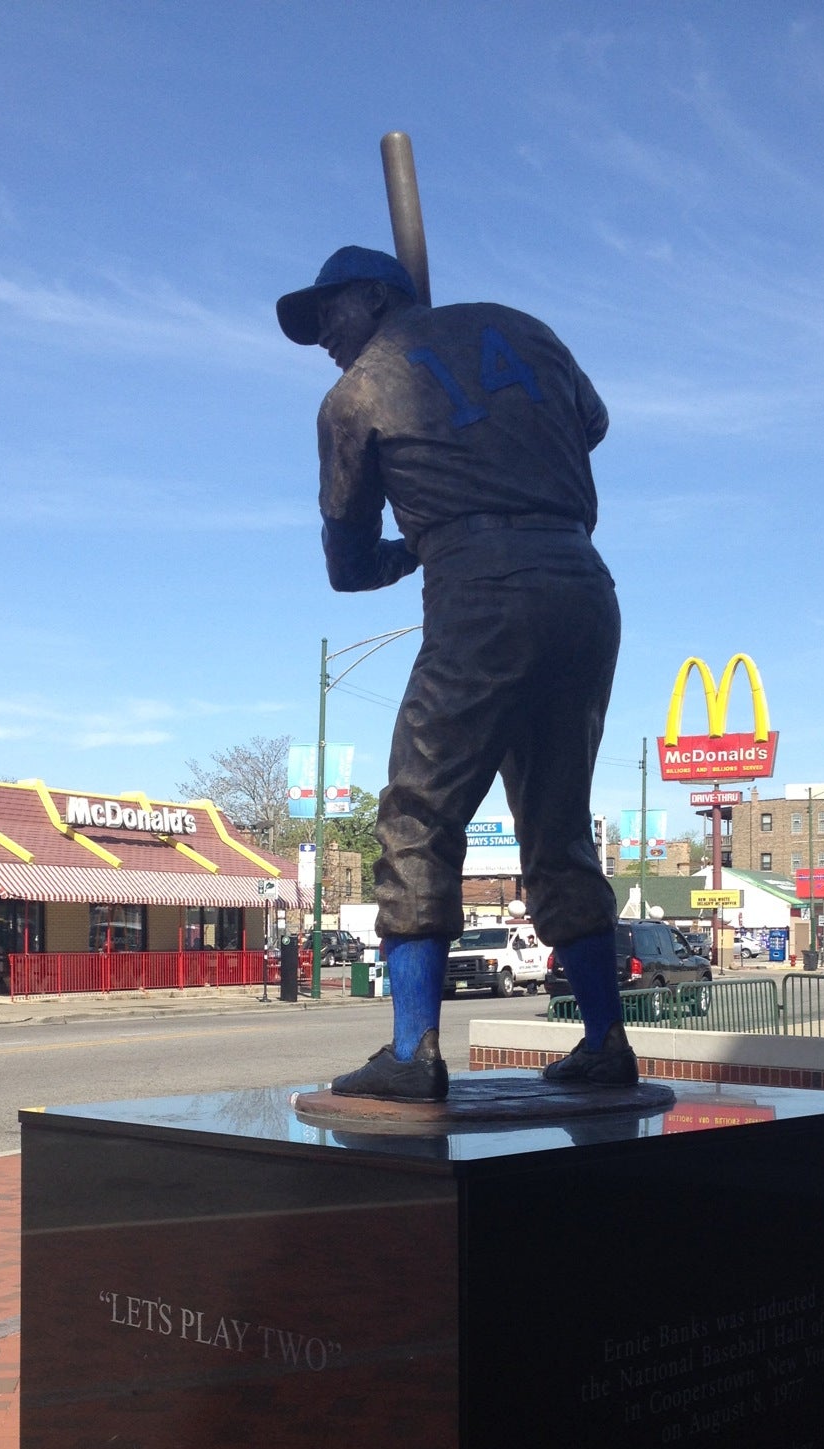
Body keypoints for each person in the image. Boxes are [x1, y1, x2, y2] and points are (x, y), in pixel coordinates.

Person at [277, 247, 629, 1100]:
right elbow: (593, 423)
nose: (324, 335)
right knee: (556, 823)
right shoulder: (523, 328)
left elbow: (347, 569)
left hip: (480, 592)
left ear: (373, 296)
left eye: (330, 312)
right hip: (583, 586)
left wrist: (427, 539)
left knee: (416, 815)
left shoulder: (356, 395)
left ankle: (411, 1053)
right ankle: (605, 1041)